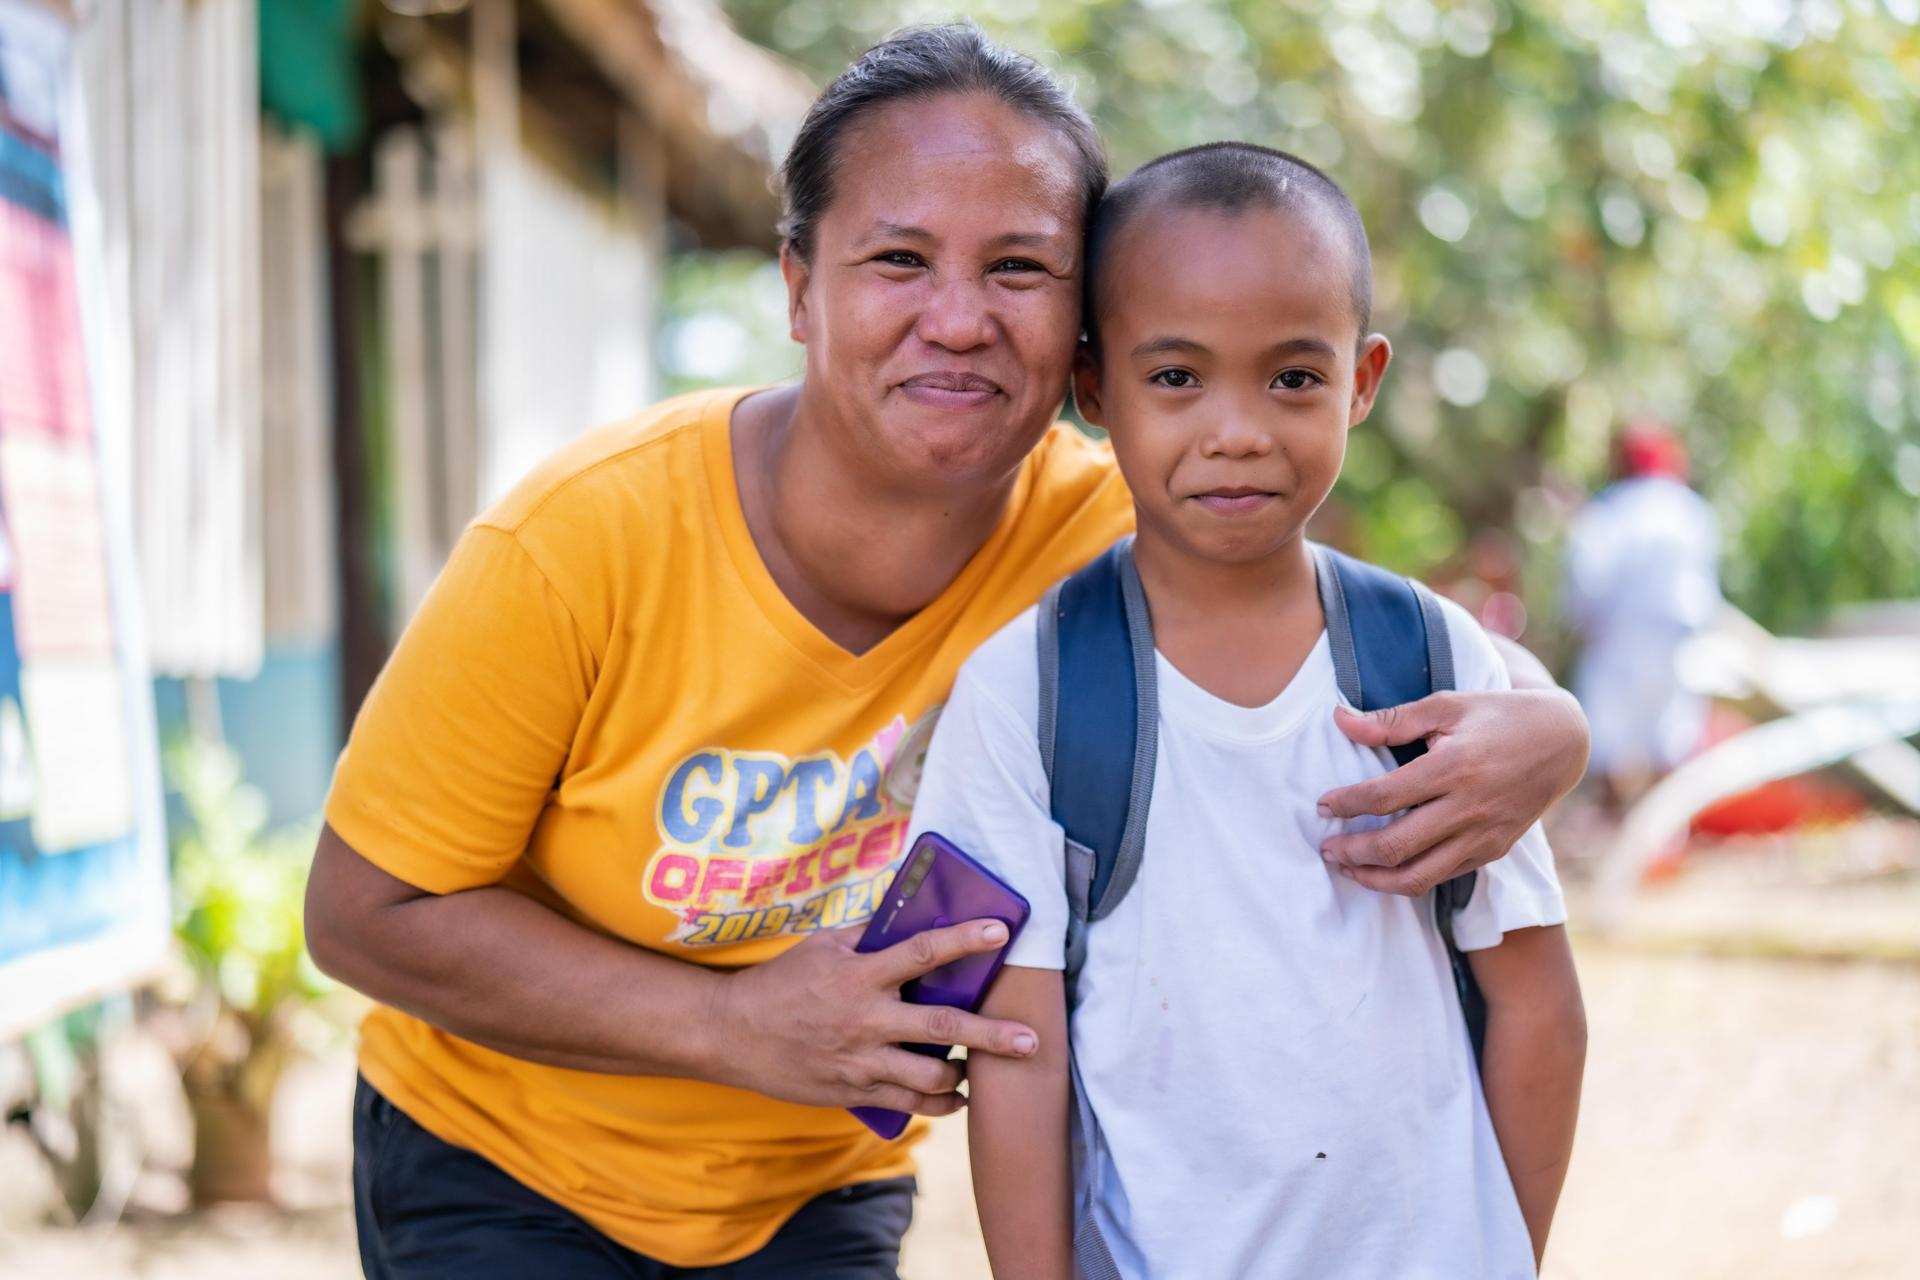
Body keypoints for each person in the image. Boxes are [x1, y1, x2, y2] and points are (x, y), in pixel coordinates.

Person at [303, 27, 1591, 1279]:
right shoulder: (583, 540)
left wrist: (1553, 729)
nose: (960, 319)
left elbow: (1354, 629)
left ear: (1086, 341)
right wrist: (732, 1022)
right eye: (900, 259)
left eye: (1020, 268)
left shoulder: (1123, 534)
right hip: (500, 1165)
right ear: (800, 285)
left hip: (818, 1185)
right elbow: (363, 912)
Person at [914, 143, 1587, 1278]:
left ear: (1361, 379)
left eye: (1292, 378)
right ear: (1094, 387)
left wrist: (1501, 1252)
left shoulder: (1427, 659)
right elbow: (1017, 1056)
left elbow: (1537, 1002)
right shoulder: (1025, 690)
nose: (1239, 430)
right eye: (1177, 377)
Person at [1563, 419, 1721, 811]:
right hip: (1676, 639)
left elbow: (1585, 585)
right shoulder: (1691, 511)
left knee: (1606, 741)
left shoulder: (1608, 512)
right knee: (1671, 738)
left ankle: (1620, 831)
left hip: (1618, 640)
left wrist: (1582, 626)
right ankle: (1664, 836)